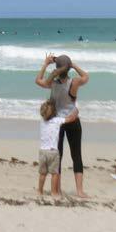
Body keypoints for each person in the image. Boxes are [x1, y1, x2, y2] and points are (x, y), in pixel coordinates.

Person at [35, 53, 90, 198]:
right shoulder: (74, 83)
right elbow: (86, 77)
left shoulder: (51, 83)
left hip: (56, 123)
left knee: (58, 155)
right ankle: (79, 191)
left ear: (57, 68)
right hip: (72, 120)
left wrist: (46, 63)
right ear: (68, 68)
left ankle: (57, 190)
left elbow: (38, 80)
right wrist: (74, 65)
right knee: (76, 155)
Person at [38, 99, 79, 197]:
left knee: (42, 173)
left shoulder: (42, 122)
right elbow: (71, 118)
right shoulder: (57, 121)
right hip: (53, 152)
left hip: (42, 151)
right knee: (55, 173)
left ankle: (39, 191)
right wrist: (76, 108)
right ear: (54, 113)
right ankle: (54, 192)